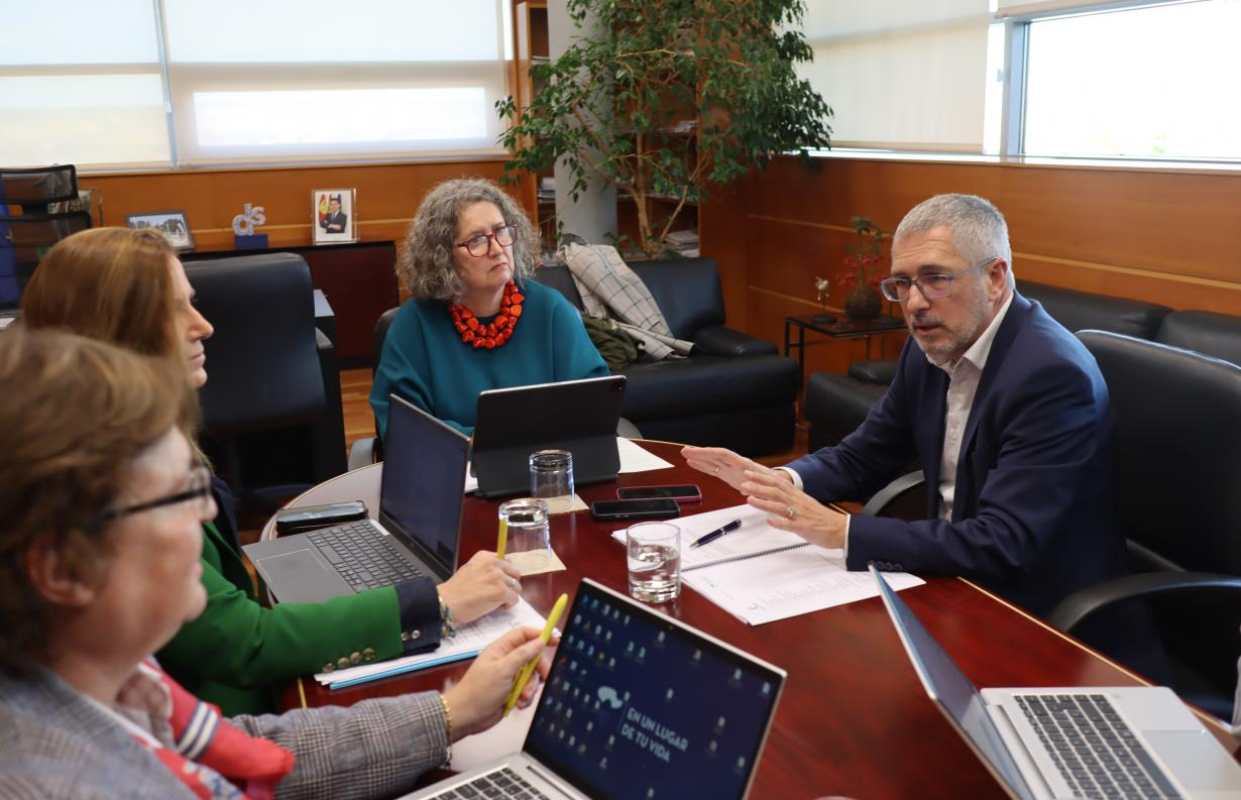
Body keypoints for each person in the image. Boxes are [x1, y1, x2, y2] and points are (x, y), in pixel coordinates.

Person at [0, 327, 552, 799]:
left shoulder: (102, 680)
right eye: (178, 494)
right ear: (62, 569)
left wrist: (454, 711)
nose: (208, 510)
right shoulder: (64, 781)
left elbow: (254, 748)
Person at [21, 227, 523, 716]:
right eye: (176, 308)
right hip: (234, 717)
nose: (203, 325)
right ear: (114, 330)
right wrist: (435, 602)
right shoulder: (111, 480)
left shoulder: (133, 439)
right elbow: (242, 641)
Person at [684, 194, 1122, 617]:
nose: (913, 303)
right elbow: (866, 452)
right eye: (903, 283)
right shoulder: (934, 343)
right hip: (949, 577)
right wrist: (783, 482)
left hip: (1034, 610)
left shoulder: (1051, 376)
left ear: (994, 277)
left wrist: (842, 530)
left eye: (935, 278)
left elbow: (1004, 543)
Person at [370, 178, 608, 437]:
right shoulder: (412, 327)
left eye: (501, 231)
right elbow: (404, 429)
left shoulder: (551, 310)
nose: (496, 249)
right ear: (442, 256)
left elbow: (594, 404)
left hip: (548, 468)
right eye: (477, 240)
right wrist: (496, 442)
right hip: (453, 471)